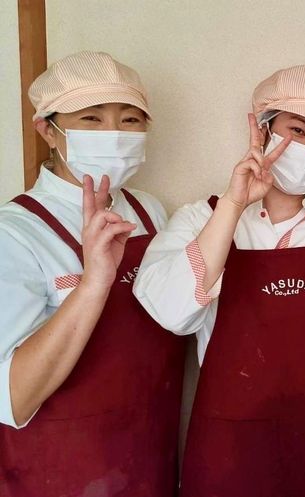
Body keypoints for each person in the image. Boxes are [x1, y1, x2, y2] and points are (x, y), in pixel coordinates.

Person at [133, 64, 305, 497]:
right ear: (263, 130)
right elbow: (171, 313)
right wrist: (233, 204)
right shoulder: (199, 218)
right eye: (297, 130)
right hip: (225, 449)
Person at [0, 51, 185, 496]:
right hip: (56, 472)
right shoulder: (16, 232)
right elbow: (12, 398)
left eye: (130, 119)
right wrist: (94, 283)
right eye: (91, 118)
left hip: (148, 458)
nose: (114, 134)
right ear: (48, 130)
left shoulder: (150, 212)